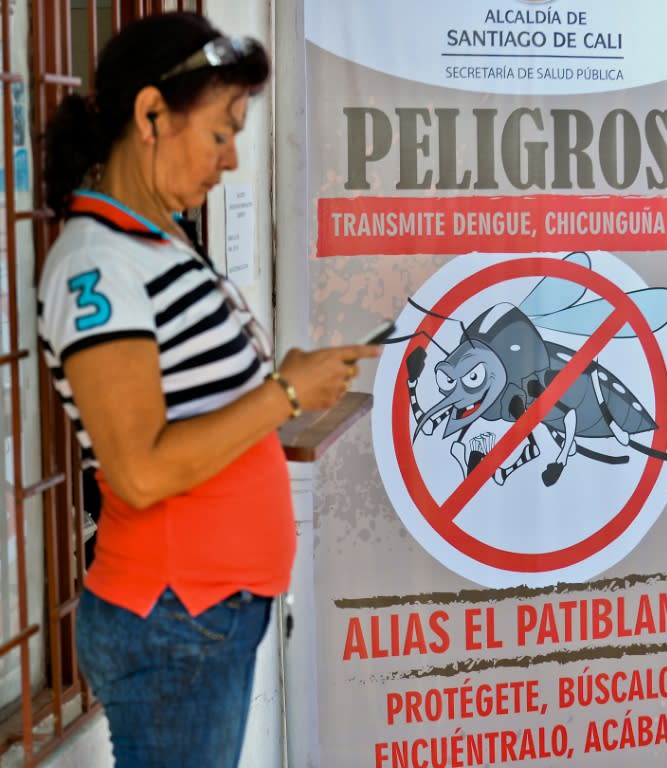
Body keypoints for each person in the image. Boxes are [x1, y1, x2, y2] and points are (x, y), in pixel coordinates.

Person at [37, 11, 380, 768]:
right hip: (174, 616)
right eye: (220, 133)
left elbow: (201, 406)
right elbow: (141, 470)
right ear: (151, 113)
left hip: (202, 611)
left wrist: (288, 386)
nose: (227, 161)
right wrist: (282, 396)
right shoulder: (97, 263)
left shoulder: (158, 240)